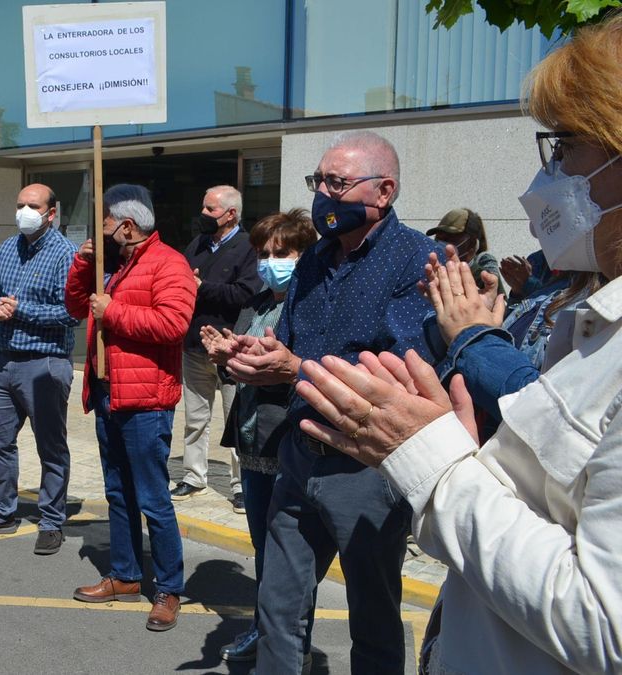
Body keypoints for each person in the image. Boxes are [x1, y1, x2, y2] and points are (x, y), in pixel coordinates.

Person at [297, 25, 622, 671]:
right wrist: (475, 454)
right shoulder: (592, 324)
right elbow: (555, 511)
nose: (548, 174)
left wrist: (435, 461)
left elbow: (603, 627)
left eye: (567, 147)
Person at [215, 131, 443, 673]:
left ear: (383, 191)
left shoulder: (418, 260)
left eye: (336, 183)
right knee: (278, 602)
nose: (323, 194)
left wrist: (294, 368)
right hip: (299, 455)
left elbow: (399, 372)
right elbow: (290, 346)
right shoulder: (315, 258)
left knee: (373, 611)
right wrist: (259, 353)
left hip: (365, 467)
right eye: (318, 181)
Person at [66, 184, 197, 631]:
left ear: (126, 225)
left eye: (105, 222)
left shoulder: (169, 264)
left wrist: (114, 311)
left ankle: (168, 588)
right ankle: (124, 575)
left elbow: (173, 324)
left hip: (145, 401)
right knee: (118, 494)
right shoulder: (113, 265)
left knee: (153, 499)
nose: (100, 230)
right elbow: (74, 306)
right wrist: (84, 266)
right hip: (109, 393)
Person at [202, 209, 318, 664]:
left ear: (305, 255)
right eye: (264, 254)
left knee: (288, 556)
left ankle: (290, 643)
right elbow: (248, 369)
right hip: (252, 445)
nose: (271, 262)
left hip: (287, 444)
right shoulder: (258, 304)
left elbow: (303, 372)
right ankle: (266, 630)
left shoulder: (309, 306)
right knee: (264, 549)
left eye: (282, 253)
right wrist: (224, 357)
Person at [0, 183, 78, 555]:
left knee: (51, 446)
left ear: (51, 213)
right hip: (4, 360)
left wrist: (20, 310)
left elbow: (71, 313)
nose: (24, 212)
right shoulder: (8, 247)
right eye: (20, 205)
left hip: (44, 362)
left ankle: (51, 520)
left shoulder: (65, 254)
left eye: (33, 205)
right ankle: (0, 512)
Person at [173, 185, 259, 509]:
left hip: (230, 347)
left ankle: (242, 486)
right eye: (204, 208)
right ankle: (193, 477)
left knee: (235, 419)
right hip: (194, 345)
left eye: (210, 210)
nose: (204, 215)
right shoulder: (197, 244)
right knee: (195, 417)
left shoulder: (249, 247)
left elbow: (246, 293)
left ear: (230, 214)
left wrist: (202, 287)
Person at [426, 207, 505, 292]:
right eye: (438, 238)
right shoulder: (431, 269)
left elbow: (501, 302)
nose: (442, 244)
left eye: (451, 239)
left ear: (472, 244)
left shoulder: (484, 276)